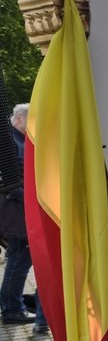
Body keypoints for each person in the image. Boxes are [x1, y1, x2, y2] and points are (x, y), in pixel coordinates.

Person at [1, 104, 45, 329]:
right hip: (17, 214)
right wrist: (33, 197)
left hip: (17, 213)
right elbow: (9, 183)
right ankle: (12, 309)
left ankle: (12, 306)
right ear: (19, 120)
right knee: (19, 262)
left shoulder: (14, 141)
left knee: (18, 261)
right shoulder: (10, 143)